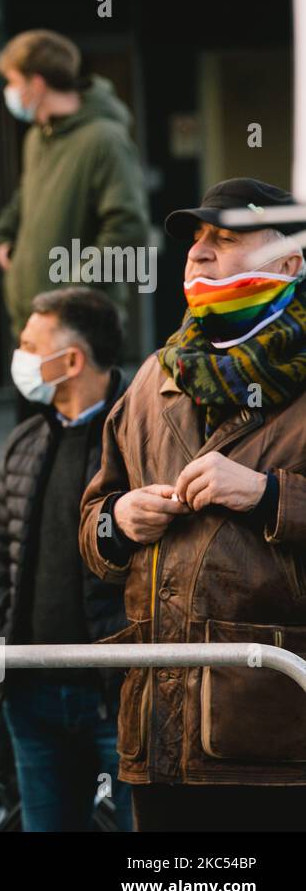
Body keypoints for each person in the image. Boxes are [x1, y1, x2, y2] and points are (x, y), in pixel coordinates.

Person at [80, 178, 306, 831]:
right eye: (196, 239)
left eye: (226, 238)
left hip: (274, 734)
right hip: (158, 733)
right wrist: (117, 524)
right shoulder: (156, 375)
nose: (199, 253)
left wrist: (266, 496)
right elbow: (94, 526)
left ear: (289, 263)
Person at [0, 286, 132, 831]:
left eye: (29, 344)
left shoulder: (140, 437)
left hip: (115, 698)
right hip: (31, 695)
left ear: (71, 360)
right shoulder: (25, 439)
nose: (19, 356)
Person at [0, 30, 148, 347]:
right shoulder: (37, 137)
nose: (9, 92)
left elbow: (127, 227)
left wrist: (72, 292)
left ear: (36, 84)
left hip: (79, 329)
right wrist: (5, 235)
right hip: (34, 326)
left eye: (13, 82)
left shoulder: (104, 139)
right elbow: (28, 195)